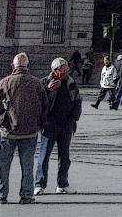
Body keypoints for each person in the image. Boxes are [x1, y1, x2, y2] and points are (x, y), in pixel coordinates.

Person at [0, 53, 47, 205]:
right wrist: (39, 123)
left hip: (8, 131)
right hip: (30, 131)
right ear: (28, 66)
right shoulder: (37, 83)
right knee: (27, 165)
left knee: (3, 165)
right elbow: (44, 106)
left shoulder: (6, 81)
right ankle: (27, 194)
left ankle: (1, 194)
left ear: (13, 66)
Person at [34, 57, 81, 196]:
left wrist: (74, 117)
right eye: (63, 70)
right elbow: (37, 101)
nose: (66, 73)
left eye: (67, 70)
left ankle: (62, 184)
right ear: (55, 71)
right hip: (49, 124)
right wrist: (47, 90)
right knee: (44, 155)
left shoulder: (71, 82)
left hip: (66, 124)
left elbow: (77, 100)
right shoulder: (44, 82)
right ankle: (39, 185)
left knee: (65, 156)